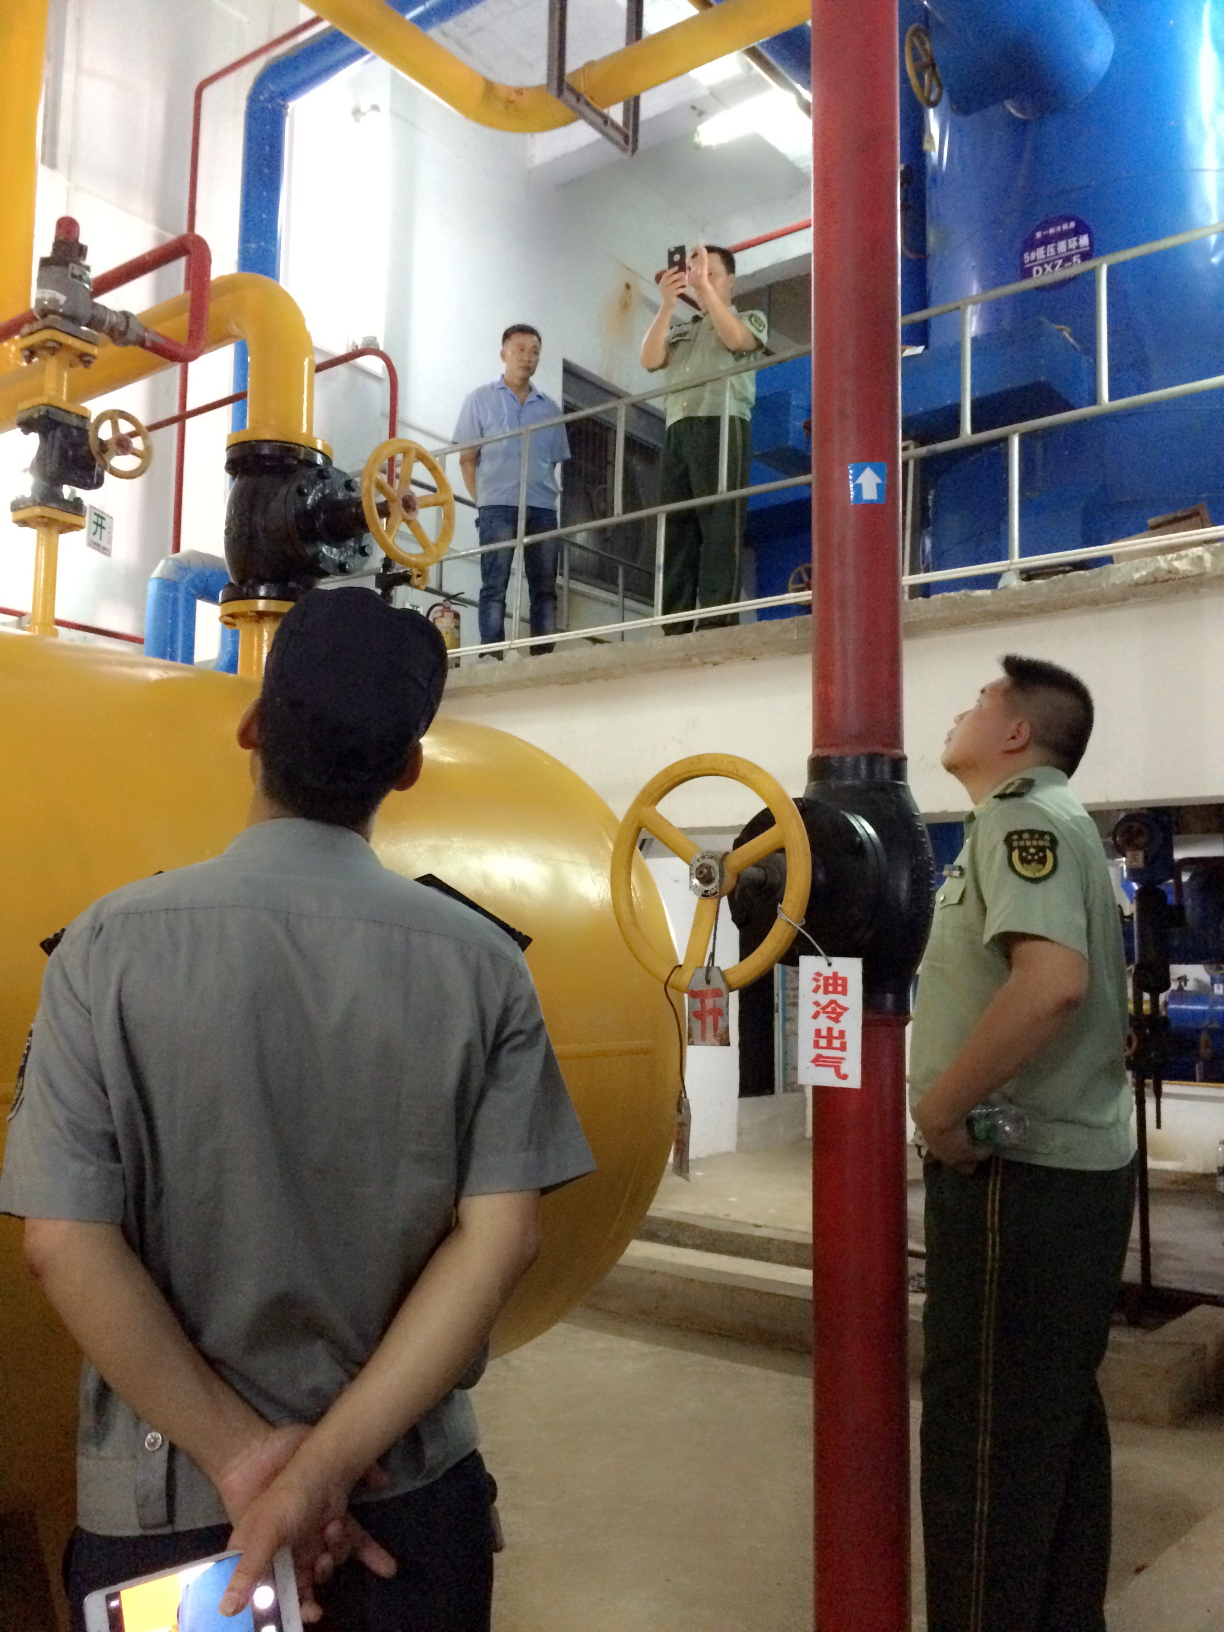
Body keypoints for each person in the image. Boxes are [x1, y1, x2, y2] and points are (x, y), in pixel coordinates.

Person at [0, 587, 595, 1632]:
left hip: (175, 1516)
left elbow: (62, 1241)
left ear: (251, 730)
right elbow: (502, 1240)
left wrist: (248, 1466)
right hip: (406, 1505)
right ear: (407, 769)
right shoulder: (485, 966)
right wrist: (322, 1474)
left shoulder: (104, 947)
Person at [910, 653, 1135, 1632]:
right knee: (1054, 1432)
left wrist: (939, 1112)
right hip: (1071, 1178)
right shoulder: (1065, 823)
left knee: (984, 1449)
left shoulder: (1018, 820)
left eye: (978, 701)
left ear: (1013, 734)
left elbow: (1051, 984)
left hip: (1017, 1176)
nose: (959, 713)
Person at [640, 244, 768, 634]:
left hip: (722, 421)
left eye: (710, 274)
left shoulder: (748, 317)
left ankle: (717, 619)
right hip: (678, 426)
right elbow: (649, 359)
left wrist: (707, 293)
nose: (700, 280)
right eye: (695, 273)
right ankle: (676, 622)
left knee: (719, 521)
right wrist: (667, 304)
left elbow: (737, 341)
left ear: (731, 281)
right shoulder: (684, 327)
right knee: (677, 524)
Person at [454, 325, 570, 658]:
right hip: (497, 505)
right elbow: (466, 458)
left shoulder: (551, 409)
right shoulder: (480, 400)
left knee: (545, 588)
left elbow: (553, 461)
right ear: (503, 353)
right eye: (520, 349)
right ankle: (492, 656)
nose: (527, 357)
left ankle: (542, 656)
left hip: (542, 507)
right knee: (494, 585)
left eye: (534, 352)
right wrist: (483, 502)